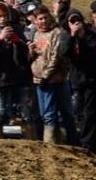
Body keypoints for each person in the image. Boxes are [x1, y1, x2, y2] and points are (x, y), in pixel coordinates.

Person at [0, 1, 30, 139]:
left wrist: (18, 42)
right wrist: (0, 39)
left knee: (24, 111)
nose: (3, 19)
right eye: (0, 16)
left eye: (5, 15)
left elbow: (25, 52)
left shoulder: (16, 29)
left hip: (18, 77)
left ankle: (28, 140)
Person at [30, 8, 78, 145]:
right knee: (45, 114)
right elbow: (35, 57)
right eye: (40, 19)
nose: (43, 21)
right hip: (38, 78)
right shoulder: (36, 34)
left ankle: (70, 142)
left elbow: (56, 57)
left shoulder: (57, 33)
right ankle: (51, 143)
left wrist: (46, 76)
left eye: (45, 18)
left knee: (61, 113)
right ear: (36, 20)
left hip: (54, 78)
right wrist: (31, 52)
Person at [67, 7, 96, 155]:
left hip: (92, 80)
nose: (76, 23)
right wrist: (73, 36)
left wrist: (81, 37)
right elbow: (66, 53)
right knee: (78, 113)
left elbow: (91, 55)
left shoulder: (90, 35)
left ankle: (89, 145)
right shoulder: (67, 36)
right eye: (72, 21)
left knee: (91, 113)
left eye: (78, 20)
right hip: (77, 81)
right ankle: (79, 142)